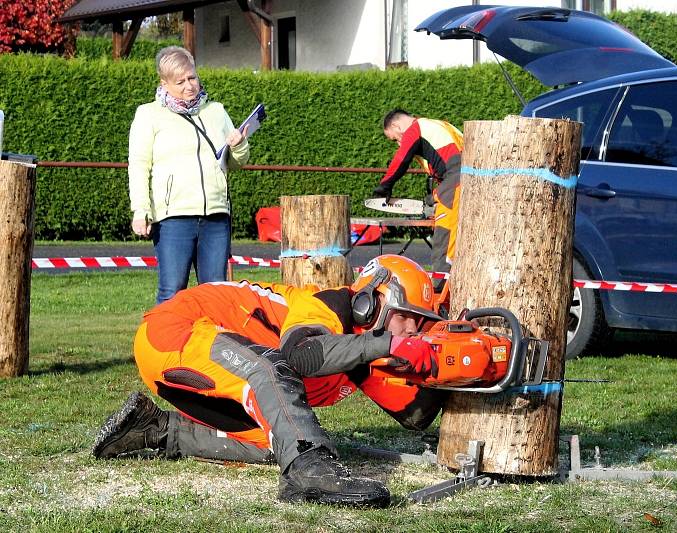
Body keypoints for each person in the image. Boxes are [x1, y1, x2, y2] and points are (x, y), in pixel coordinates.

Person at [92, 255, 447, 508]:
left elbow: (415, 415)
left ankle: (155, 429)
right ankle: (309, 470)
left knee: (277, 438)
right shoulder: (324, 307)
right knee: (269, 367)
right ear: (372, 302)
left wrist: (446, 358)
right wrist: (389, 343)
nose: (412, 330)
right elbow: (300, 354)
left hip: (197, 359)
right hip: (173, 331)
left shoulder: (362, 348)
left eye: (420, 323)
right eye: (408, 318)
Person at [128, 46, 250, 304]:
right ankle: (164, 345)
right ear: (164, 83)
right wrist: (140, 210)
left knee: (217, 293)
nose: (189, 86)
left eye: (192, 78)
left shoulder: (216, 111)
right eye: (180, 81)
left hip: (216, 216)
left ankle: (215, 344)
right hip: (173, 219)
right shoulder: (148, 114)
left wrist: (239, 144)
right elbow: (139, 165)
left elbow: (236, 163)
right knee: (172, 292)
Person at [375, 110, 464, 290]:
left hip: (456, 181)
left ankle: (440, 293)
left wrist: (385, 186)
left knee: (443, 243)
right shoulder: (440, 125)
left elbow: (401, 159)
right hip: (467, 179)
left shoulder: (415, 129)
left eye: (395, 139)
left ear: (396, 126)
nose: (399, 143)